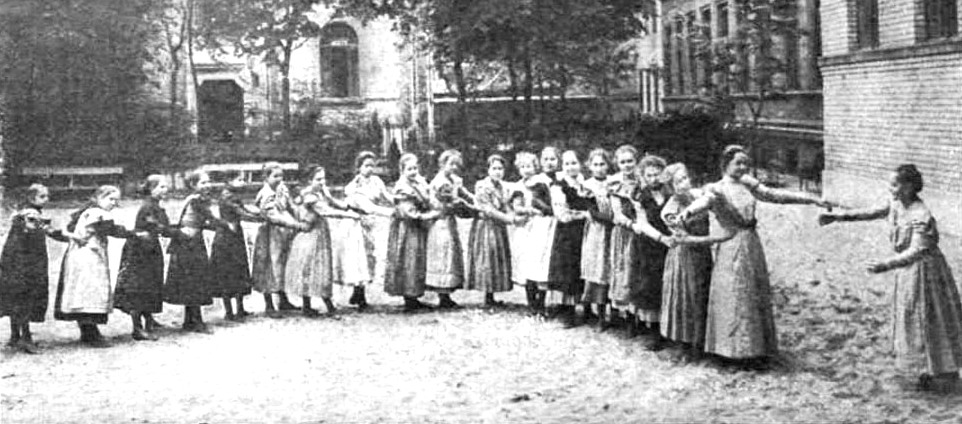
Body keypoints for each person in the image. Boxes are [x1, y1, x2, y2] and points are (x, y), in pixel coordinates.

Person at [678, 144, 832, 364]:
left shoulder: (748, 183)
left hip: (752, 244)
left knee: (753, 294)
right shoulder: (717, 189)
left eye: (746, 163)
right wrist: (687, 212)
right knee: (733, 295)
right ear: (725, 164)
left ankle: (755, 349)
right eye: (738, 163)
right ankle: (730, 351)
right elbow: (703, 202)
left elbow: (775, 196)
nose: (743, 167)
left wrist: (811, 199)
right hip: (730, 246)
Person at [819, 164, 962, 392]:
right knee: (911, 319)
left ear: (909, 187)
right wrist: (838, 216)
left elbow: (918, 250)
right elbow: (871, 212)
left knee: (930, 319)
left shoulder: (921, 215)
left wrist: (885, 264)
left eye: (895, 185)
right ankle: (923, 369)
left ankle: (942, 372)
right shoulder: (896, 204)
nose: (890, 189)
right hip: (907, 271)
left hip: (926, 273)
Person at [55, 185, 144, 347]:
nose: (114, 203)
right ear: (98, 198)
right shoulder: (97, 213)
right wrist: (134, 233)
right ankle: (91, 333)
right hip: (88, 257)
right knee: (91, 291)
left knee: (85, 291)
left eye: (116, 200)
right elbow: (112, 230)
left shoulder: (87, 213)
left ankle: (87, 330)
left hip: (81, 255)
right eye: (110, 199)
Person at [659, 163, 730, 359]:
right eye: (679, 181)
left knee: (703, 295)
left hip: (703, 255)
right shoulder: (669, 210)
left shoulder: (697, 195)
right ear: (671, 187)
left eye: (686, 178)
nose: (685, 183)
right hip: (685, 257)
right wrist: (716, 239)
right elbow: (684, 239)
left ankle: (704, 342)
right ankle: (685, 344)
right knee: (686, 298)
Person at [0, 184, 68, 353]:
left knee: (17, 298)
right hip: (26, 262)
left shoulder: (22, 213)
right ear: (31, 198)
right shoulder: (31, 214)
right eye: (42, 196)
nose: (46, 199)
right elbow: (46, 230)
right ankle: (26, 338)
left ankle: (15, 336)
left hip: (15, 261)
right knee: (26, 297)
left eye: (47, 196)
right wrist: (71, 237)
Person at [114, 175, 179, 341]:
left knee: (152, 283)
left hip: (151, 247)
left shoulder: (155, 205)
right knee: (140, 286)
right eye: (161, 187)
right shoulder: (148, 207)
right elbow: (157, 227)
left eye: (166, 186)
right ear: (151, 189)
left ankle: (149, 319)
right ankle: (137, 328)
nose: (165, 190)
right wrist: (181, 234)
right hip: (140, 249)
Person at [286, 166, 353, 318]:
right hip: (311, 236)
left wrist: (349, 206)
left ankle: (310, 306)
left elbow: (334, 203)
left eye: (323, 178)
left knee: (316, 268)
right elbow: (326, 211)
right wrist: (350, 216)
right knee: (314, 269)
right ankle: (325, 307)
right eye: (318, 179)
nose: (322, 182)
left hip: (319, 234)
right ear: (309, 181)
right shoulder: (309, 197)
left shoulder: (319, 192)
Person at [165, 170, 226, 333]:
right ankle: (197, 321)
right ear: (193, 185)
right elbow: (211, 219)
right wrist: (227, 224)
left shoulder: (194, 199)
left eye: (208, 182)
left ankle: (189, 320)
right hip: (189, 242)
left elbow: (200, 221)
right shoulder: (197, 201)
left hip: (189, 241)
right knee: (195, 279)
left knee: (190, 280)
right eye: (203, 182)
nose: (207, 185)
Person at [628, 155, 674, 349]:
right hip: (649, 244)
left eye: (657, 174)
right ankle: (654, 331)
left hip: (670, 243)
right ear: (643, 176)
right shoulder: (640, 196)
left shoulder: (670, 192)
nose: (654, 179)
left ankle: (670, 328)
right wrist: (662, 239)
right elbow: (643, 223)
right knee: (651, 285)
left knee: (668, 284)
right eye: (649, 175)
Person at [384, 153, 440, 312]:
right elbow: (408, 212)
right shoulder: (402, 187)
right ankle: (409, 298)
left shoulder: (419, 182)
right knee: (408, 260)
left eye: (415, 168)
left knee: (417, 261)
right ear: (402, 170)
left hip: (417, 227)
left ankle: (414, 296)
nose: (413, 171)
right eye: (409, 169)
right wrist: (429, 215)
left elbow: (428, 198)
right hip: (407, 228)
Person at [466, 154, 523, 306]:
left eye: (500, 169)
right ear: (488, 170)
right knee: (487, 258)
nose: (498, 172)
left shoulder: (502, 186)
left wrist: (513, 214)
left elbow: (506, 204)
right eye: (494, 168)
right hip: (486, 226)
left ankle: (492, 295)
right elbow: (489, 210)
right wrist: (510, 219)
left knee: (496, 258)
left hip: (498, 227)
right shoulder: (482, 186)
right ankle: (487, 295)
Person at [344, 151, 396, 310]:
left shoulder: (376, 181)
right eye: (366, 165)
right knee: (359, 258)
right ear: (358, 167)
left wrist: (400, 202)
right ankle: (360, 294)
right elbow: (369, 207)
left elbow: (386, 196)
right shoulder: (353, 187)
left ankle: (358, 292)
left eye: (372, 165)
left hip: (371, 222)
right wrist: (392, 212)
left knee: (370, 256)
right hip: (356, 222)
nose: (370, 169)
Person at [546, 150, 593, 327]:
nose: (570, 167)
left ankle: (587, 310)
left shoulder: (584, 183)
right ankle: (567, 311)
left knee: (583, 267)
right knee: (567, 269)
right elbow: (562, 214)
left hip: (585, 232)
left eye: (574, 163)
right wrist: (585, 214)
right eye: (566, 164)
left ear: (580, 164)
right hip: (567, 233)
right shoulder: (558, 186)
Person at [252, 162, 303, 317]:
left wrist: (299, 217)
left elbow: (290, 206)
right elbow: (272, 216)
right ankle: (269, 305)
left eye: (281, 176)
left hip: (284, 233)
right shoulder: (265, 194)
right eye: (275, 176)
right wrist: (293, 224)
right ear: (266, 177)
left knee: (283, 265)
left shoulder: (282, 189)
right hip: (269, 234)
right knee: (268, 266)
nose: (279, 179)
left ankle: (283, 300)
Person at [425, 149, 476, 309]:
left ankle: (446, 295)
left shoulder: (454, 180)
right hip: (440, 220)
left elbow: (465, 194)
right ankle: (442, 295)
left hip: (449, 221)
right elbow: (453, 202)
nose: (453, 167)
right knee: (443, 255)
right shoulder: (440, 182)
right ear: (442, 164)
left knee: (451, 254)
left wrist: (477, 200)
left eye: (456, 165)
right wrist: (471, 208)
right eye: (450, 164)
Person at [210, 171, 262, 321]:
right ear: (229, 181)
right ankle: (230, 312)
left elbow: (245, 210)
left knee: (237, 271)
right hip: (227, 237)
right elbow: (241, 213)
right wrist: (262, 218)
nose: (243, 183)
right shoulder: (228, 197)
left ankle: (239, 309)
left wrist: (259, 214)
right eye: (239, 180)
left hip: (233, 236)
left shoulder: (232, 195)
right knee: (229, 272)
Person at [522, 146, 561, 316]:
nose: (550, 163)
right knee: (535, 260)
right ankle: (532, 304)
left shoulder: (561, 178)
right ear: (540, 162)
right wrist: (553, 210)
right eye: (546, 159)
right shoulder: (538, 180)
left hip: (556, 224)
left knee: (547, 264)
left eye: (553, 159)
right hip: (541, 223)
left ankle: (543, 302)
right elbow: (536, 201)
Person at [608, 145, 642, 333]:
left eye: (630, 161)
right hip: (625, 233)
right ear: (617, 164)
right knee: (624, 270)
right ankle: (624, 316)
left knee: (639, 272)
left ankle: (640, 317)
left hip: (643, 232)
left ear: (636, 161)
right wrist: (632, 224)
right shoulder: (615, 183)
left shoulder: (642, 180)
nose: (627, 165)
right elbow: (617, 214)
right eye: (623, 162)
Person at [580, 149, 615, 331]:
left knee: (613, 269)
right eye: (595, 164)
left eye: (602, 164)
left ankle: (615, 314)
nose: (599, 168)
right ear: (589, 166)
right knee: (599, 269)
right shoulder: (587, 186)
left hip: (615, 232)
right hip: (598, 231)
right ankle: (600, 315)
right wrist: (614, 220)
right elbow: (593, 212)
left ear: (608, 165)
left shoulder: (614, 182)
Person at [507, 151, 541, 301]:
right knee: (527, 262)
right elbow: (517, 207)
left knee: (540, 261)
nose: (526, 170)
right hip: (527, 226)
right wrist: (529, 210)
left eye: (529, 166)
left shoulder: (540, 183)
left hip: (541, 225)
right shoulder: (518, 187)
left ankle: (541, 299)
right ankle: (531, 300)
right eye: (523, 167)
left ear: (535, 167)